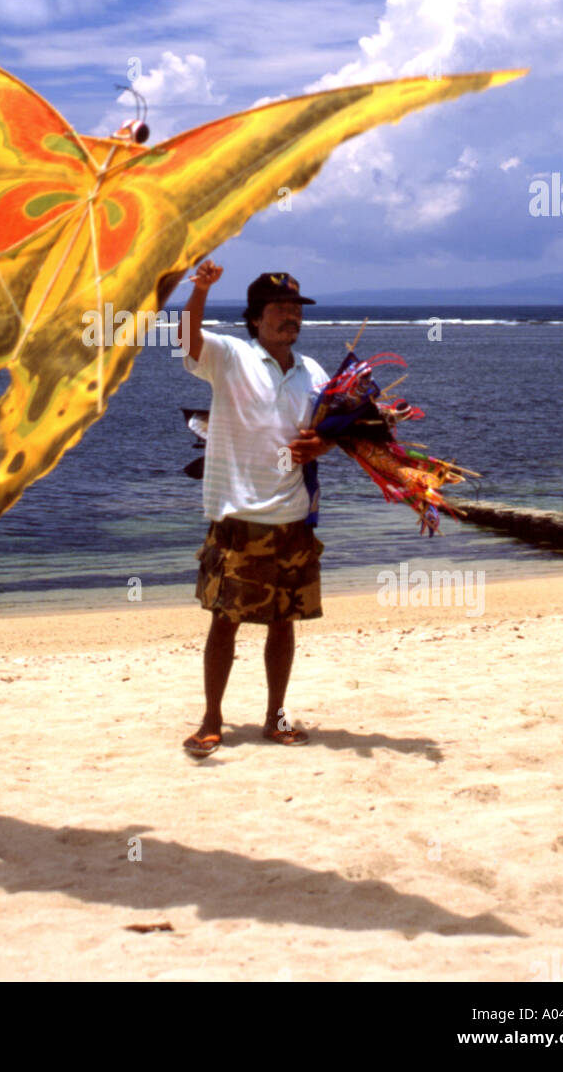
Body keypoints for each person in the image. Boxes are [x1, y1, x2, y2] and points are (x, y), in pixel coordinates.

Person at [180, 261, 336, 757]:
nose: (290, 316)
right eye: (280, 309)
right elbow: (187, 338)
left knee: (283, 621)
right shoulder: (229, 356)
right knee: (226, 619)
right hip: (239, 514)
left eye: (295, 309)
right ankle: (210, 719)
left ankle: (276, 717)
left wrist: (320, 447)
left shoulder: (312, 372)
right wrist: (201, 290)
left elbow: (330, 429)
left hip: (293, 515)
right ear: (254, 318)